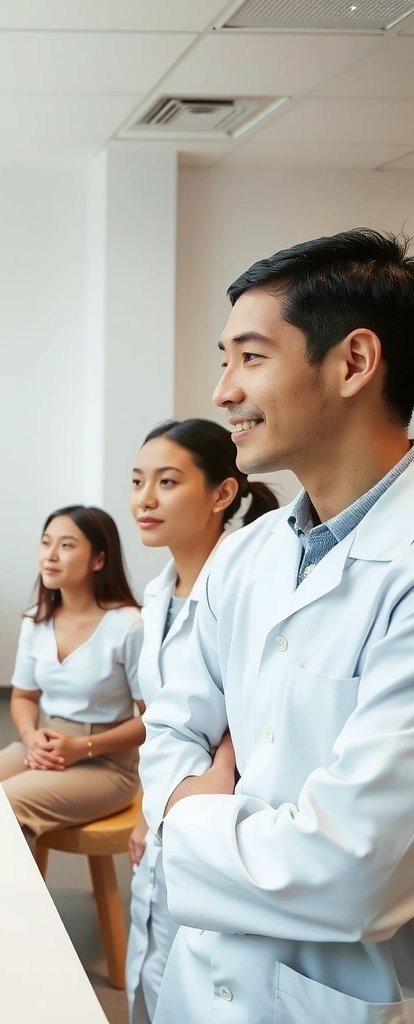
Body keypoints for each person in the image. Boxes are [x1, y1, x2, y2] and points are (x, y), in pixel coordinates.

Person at [140, 228, 414, 1024]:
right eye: (223, 360)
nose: (223, 390)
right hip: (199, 976)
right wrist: (233, 821)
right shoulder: (246, 555)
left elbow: (349, 872)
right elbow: (171, 726)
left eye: (250, 358)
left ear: (353, 363)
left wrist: (187, 815)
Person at [125, 419, 278, 1024]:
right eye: (137, 481)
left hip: (223, 823)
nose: (144, 499)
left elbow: (243, 721)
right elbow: (160, 717)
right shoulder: (157, 593)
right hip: (170, 811)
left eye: (167, 482)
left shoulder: (249, 586)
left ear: (222, 493)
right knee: (150, 973)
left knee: (199, 982)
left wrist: (197, 794)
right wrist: (150, 809)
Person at [0, 506, 143, 852]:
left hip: (107, 765)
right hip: (43, 745)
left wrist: (81, 747)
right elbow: (23, 697)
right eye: (46, 543)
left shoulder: (129, 626)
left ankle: (13, 891)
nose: (51, 555)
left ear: (99, 560)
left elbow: (155, 721)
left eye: (67, 545)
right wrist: (30, 737)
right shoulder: (36, 620)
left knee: (6, 803)